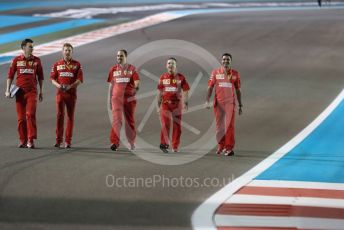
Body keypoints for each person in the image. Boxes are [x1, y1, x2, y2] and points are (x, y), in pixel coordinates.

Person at [5, 38, 44, 149]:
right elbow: (10, 76)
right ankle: (23, 140)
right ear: (23, 48)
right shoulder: (16, 60)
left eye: (32, 46)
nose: (32, 48)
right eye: (30, 46)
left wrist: (41, 91)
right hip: (19, 93)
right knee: (21, 118)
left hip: (32, 92)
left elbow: (41, 77)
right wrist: (7, 90)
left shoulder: (37, 60)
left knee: (30, 115)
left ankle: (30, 140)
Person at [205, 53, 242, 156]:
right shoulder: (215, 72)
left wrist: (240, 105)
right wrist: (207, 101)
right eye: (224, 59)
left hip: (230, 104)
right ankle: (221, 146)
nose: (226, 61)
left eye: (228, 60)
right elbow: (210, 87)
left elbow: (238, 90)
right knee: (219, 127)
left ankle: (229, 148)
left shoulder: (235, 73)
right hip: (218, 103)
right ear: (221, 61)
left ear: (231, 61)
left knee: (229, 125)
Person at [50, 43, 83, 148]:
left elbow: (80, 80)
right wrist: (59, 86)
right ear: (62, 51)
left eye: (69, 50)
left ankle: (68, 141)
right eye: (65, 50)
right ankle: (58, 140)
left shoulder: (77, 64)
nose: (67, 52)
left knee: (70, 117)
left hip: (71, 94)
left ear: (72, 52)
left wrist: (71, 86)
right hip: (60, 94)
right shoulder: (57, 64)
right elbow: (52, 79)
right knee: (60, 116)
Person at [107, 49, 140, 151]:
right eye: (117, 56)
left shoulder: (132, 69)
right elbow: (111, 86)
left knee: (129, 121)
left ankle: (131, 142)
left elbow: (137, 83)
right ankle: (114, 143)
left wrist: (135, 90)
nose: (119, 58)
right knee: (117, 120)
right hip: (116, 99)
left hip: (129, 99)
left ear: (125, 57)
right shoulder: (113, 69)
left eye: (121, 56)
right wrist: (109, 99)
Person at [157, 57, 190, 153]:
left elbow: (186, 90)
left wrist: (185, 102)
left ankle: (175, 146)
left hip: (177, 105)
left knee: (177, 126)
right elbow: (159, 92)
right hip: (165, 104)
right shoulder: (162, 77)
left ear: (176, 65)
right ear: (166, 65)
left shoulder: (181, 77)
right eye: (169, 63)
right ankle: (164, 144)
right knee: (165, 125)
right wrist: (158, 106)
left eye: (172, 63)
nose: (170, 65)